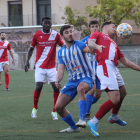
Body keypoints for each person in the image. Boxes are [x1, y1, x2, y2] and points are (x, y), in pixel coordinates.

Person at [87, 20, 140, 137]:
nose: (115, 29)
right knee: (115, 99)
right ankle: (93, 121)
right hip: (105, 66)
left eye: (116, 27)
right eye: (113, 26)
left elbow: (126, 62)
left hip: (114, 68)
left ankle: (114, 116)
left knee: (123, 93)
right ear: (105, 27)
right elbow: (90, 43)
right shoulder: (98, 34)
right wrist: (97, 47)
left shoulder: (114, 44)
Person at [55, 25, 104, 132]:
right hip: (72, 80)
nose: (70, 33)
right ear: (62, 36)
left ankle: (82, 119)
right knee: (58, 107)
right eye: (67, 32)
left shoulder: (80, 45)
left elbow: (89, 50)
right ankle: (74, 127)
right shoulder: (61, 52)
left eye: (71, 31)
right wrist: (57, 80)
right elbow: (61, 69)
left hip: (87, 77)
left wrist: (95, 48)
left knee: (81, 88)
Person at [24, 17, 64, 120]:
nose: (47, 25)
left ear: (51, 25)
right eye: (45, 23)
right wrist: (27, 62)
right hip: (40, 66)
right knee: (38, 86)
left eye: (49, 23)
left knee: (56, 88)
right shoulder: (36, 35)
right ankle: (35, 108)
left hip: (51, 67)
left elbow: (63, 46)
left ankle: (54, 110)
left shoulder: (55, 35)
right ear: (42, 24)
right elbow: (31, 49)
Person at [81, 20, 102, 120]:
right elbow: (78, 50)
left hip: (100, 70)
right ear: (89, 29)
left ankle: (85, 105)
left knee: (97, 95)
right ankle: (86, 113)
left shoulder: (102, 39)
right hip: (90, 70)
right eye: (92, 26)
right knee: (92, 90)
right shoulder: (85, 41)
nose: (94, 28)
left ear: (99, 28)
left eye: (96, 26)